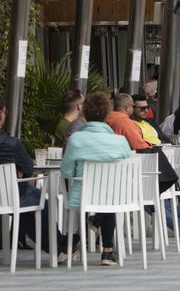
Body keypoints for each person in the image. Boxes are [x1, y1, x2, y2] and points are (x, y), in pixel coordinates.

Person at [0, 94, 75, 262]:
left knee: (28, 207)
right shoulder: (11, 143)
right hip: (12, 196)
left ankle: (61, 246)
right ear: (1, 114)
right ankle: (59, 246)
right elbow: (29, 169)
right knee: (40, 200)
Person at [60, 92, 133, 266]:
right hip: (113, 196)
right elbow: (127, 169)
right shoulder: (120, 141)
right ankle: (108, 250)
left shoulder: (76, 139)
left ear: (84, 113)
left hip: (83, 196)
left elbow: (67, 171)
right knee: (108, 197)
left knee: (94, 195)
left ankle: (77, 239)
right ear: (108, 114)